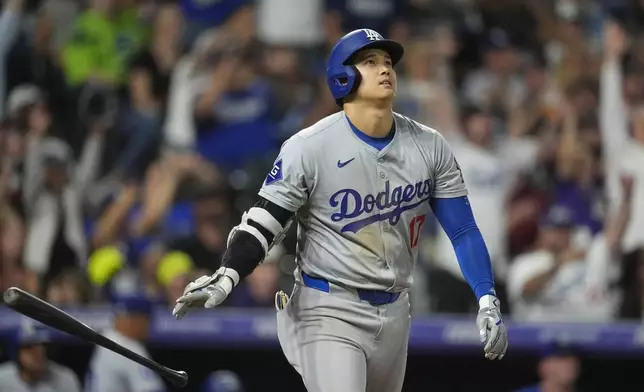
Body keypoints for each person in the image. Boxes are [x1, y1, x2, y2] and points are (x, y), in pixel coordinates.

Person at [173, 28, 508, 392]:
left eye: (387, 62)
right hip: (328, 305)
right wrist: (228, 274)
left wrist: (486, 297)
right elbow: (264, 222)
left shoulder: (430, 145)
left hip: (396, 308)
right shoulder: (310, 146)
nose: (385, 70)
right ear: (342, 77)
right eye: (370, 62)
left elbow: (462, 231)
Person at [85, 293, 164, 392]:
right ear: (135, 320)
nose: (148, 326)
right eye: (147, 319)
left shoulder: (107, 338)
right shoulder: (128, 347)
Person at [0, 321, 81, 392]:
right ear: (17, 352)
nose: (37, 352)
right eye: (29, 347)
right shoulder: (2, 378)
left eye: (42, 345)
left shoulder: (65, 378)